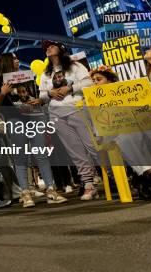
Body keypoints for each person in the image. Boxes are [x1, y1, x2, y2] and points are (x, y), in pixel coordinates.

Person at [0, 52, 67, 208]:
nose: (17, 60)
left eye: (17, 57)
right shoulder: (0, 80)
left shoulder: (27, 76)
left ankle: (51, 189)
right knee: (20, 158)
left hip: (34, 117)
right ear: (7, 61)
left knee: (41, 155)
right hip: (14, 121)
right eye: (14, 58)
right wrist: (3, 93)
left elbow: (35, 94)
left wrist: (38, 100)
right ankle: (26, 193)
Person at [89, 66, 151, 199]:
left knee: (148, 134)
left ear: (110, 80)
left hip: (133, 127)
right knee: (128, 137)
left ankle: (146, 178)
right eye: (93, 80)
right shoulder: (91, 97)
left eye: (98, 79)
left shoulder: (124, 92)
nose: (95, 82)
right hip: (110, 133)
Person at [39, 40, 99, 200]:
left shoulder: (75, 66)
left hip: (77, 109)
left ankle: (113, 177)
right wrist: (50, 94)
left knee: (93, 146)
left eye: (52, 45)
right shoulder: (45, 74)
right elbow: (41, 96)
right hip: (57, 114)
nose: (48, 48)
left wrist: (70, 88)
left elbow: (89, 82)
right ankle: (88, 184)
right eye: (46, 48)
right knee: (75, 152)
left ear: (61, 49)